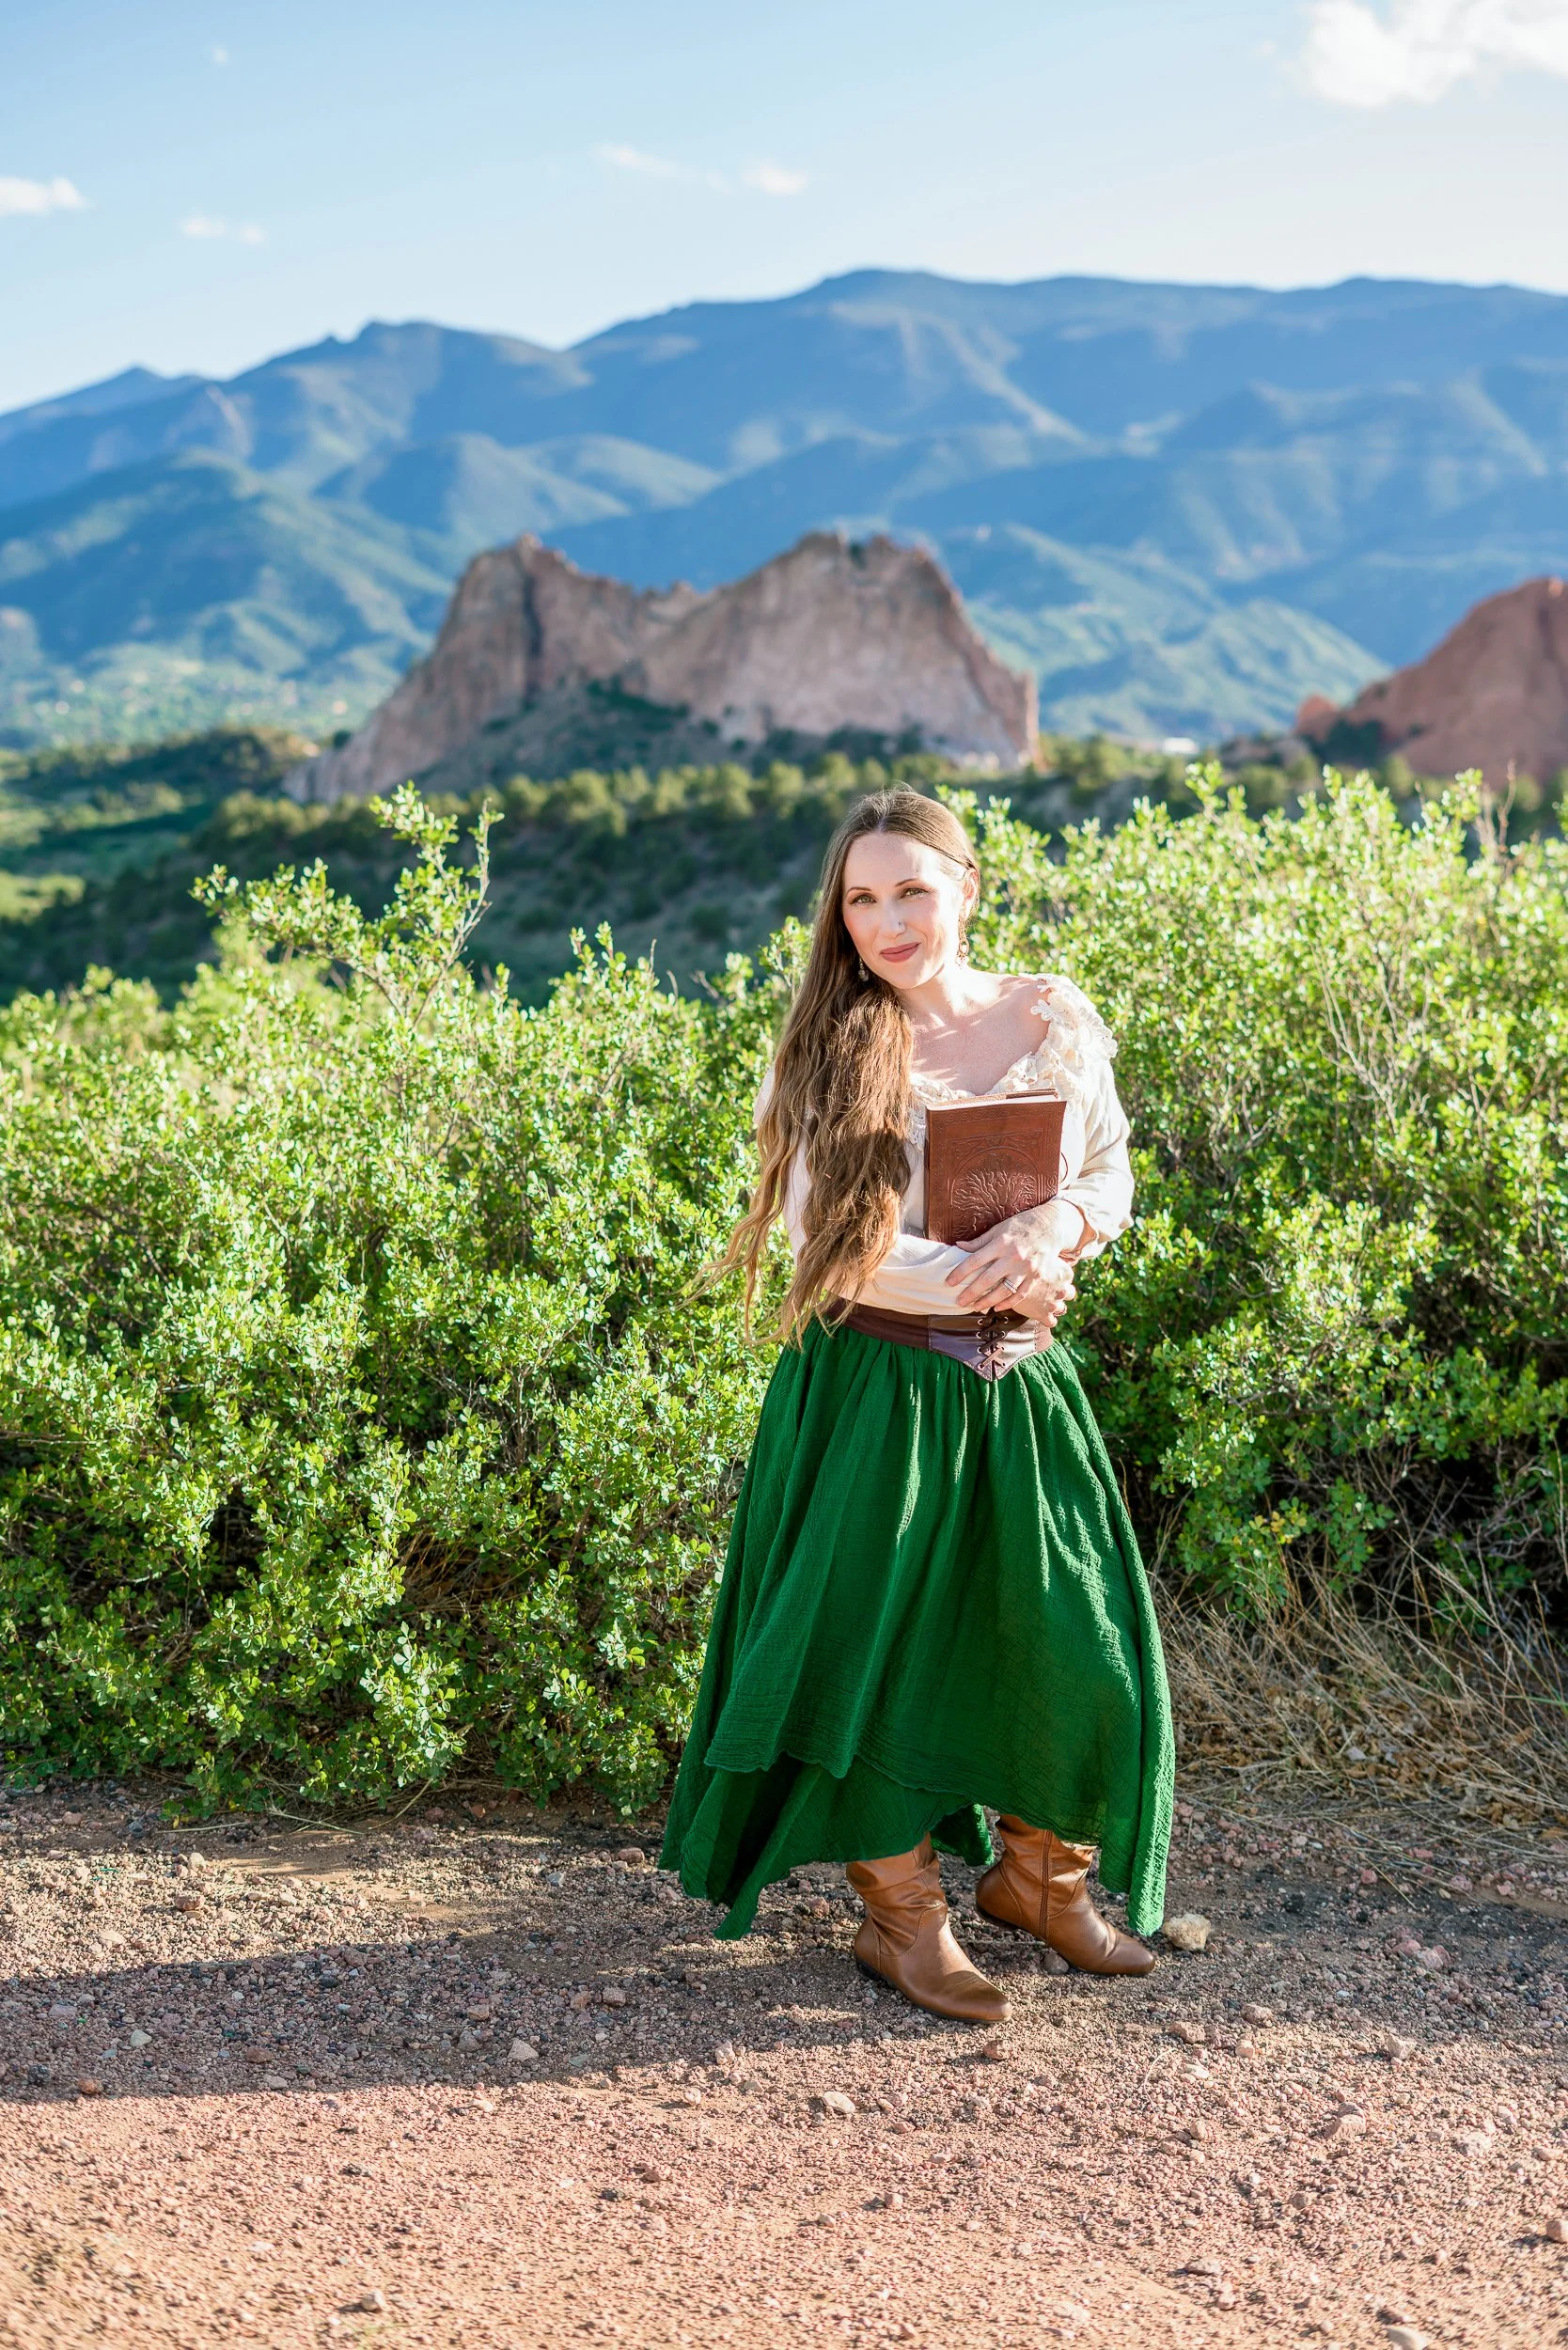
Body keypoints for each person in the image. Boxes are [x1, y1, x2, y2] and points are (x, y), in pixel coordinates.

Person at [660, 789, 1173, 2024]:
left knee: (1077, 1646)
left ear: (967, 887)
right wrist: (994, 1279)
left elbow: (1107, 1167)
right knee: (865, 1661)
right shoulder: (823, 1051)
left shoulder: (1052, 1013)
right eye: (862, 897)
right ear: (840, 916)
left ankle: (1043, 1884)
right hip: (875, 1391)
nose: (889, 919)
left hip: (1019, 1392)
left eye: (912, 890)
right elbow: (825, 1244)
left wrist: (1056, 1231)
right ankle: (904, 1921)